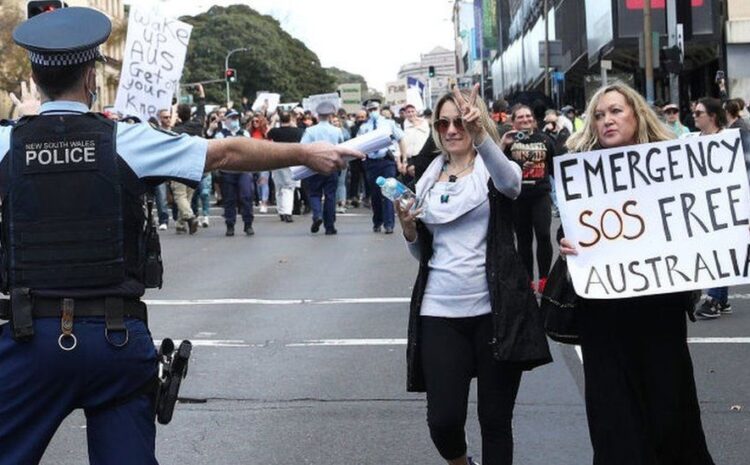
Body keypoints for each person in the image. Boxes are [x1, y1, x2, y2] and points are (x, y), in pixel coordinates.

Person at [0, 7, 360, 465]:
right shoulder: (125, 141)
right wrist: (306, 152)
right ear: (92, 77)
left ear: (33, 75)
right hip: (114, 341)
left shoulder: (8, 144)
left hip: (32, 340)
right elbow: (226, 152)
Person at [559, 82, 715, 465]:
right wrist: (567, 245)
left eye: (615, 111)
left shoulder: (674, 166)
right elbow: (571, 232)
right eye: (598, 114)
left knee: (670, 413)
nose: (606, 120)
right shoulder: (580, 174)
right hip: (603, 316)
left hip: (657, 312)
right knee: (615, 419)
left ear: (636, 114)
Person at [396, 84, 551, 465]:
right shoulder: (429, 179)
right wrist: (410, 231)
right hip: (439, 313)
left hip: (494, 311)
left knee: (495, 421)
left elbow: (512, 184)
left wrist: (481, 133)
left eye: (460, 123)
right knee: (443, 421)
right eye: (444, 123)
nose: (452, 130)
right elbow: (422, 252)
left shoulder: (492, 168)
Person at [504, 104, 557, 292]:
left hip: (540, 195)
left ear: (533, 119)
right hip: (518, 197)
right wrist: (517, 164)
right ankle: (527, 279)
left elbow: (556, 167)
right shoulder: (508, 141)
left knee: (543, 235)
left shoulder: (545, 140)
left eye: (528, 116)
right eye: (520, 117)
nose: (525, 119)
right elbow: (499, 167)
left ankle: (544, 278)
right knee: (524, 240)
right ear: (513, 121)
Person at [692, 97, 731, 319]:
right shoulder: (691, 139)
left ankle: (714, 298)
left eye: (699, 113)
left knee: (721, 249)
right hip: (701, 205)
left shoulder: (728, 140)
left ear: (713, 117)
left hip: (725, 204)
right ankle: (722, 299)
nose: (695, 116)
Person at [358, 98, 407, 234]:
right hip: (372, 162)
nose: (373, 112)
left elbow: (401, 138)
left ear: (379, 109)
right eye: (370, 110)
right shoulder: (364, 127)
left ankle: (389, 224)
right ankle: (377, 221)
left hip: (387, 161)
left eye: (375, 109)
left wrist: (404, 159)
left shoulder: (389, 124)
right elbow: (359, 145)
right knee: (375, 194)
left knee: (388, 192)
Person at [300, 101, 344, 235]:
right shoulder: (337, 130)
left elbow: (303, 146)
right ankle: (329, 226)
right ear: (330, 115)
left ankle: (317, 215)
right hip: (332, 165)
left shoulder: (310, 130)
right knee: (330, 196)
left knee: (314, 193)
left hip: (315, 165)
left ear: (317, 116)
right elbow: (341, 147)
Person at [214, 109, 256, 236]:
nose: (234, 120)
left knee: (246, 196)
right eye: (231, 118)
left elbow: (250, 150)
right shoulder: (220, 135)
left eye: (236, 118)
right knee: (229, 199)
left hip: (243, 170)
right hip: (227, 171)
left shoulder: (244, 133)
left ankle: (248, 224)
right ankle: (230, 225)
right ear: (225, 120)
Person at [267, 111, 304, 223]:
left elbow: (268, 134)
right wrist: (293, 122)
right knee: (289, 187)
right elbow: (300, 133)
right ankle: (288, 212)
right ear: (290, 119)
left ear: (280, 119)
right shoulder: (297, 131)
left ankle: (281, 211)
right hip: (292, 161)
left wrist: (273, 121)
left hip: (277, 160)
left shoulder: (275, 131)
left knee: (279, 187)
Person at [249, 115, 271, 213]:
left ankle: (264, 202)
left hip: (265, 159)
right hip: (253, 160)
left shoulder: (266, 133)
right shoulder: (250, 133)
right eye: (253, 121)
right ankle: (259, 199)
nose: (255, 123)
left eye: (257, 121)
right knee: (257, 183)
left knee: (264, 181)